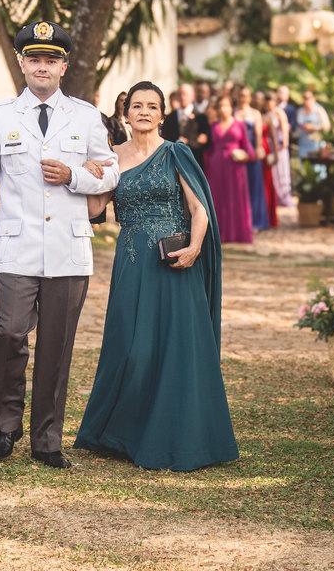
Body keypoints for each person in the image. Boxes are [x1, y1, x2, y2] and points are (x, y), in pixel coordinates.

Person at [0, 20, 118, 469]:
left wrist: (73, 176)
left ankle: (47, 440)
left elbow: (111, 170)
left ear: (64, 66)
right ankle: (5, 429)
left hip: (69, 251)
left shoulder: (86, 116)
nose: (42, 66)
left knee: (57, 345)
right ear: (21, 63)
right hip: (16, 247)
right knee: (10, 333)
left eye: (51, 59)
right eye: (34, 58)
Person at [75, 81, 237, 470]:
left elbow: (199, 209)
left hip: (176, 261)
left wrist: (195, 247)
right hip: (132, 264)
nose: (144, 111)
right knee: (134, 348)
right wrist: (86, 173)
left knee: (179, 350)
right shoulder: (111, 157)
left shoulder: (176, 153)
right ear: (125, 114)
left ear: (162, 115)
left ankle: (182, 437)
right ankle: (124, 435)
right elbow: (96, 208)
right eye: (136, 105)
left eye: (152, 106)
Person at [205, 92, 255, 243]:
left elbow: (248, 148)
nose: (223, 109)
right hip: (216, 165)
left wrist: (246, 156)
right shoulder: (213, 125)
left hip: (235, 165)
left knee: (236, 198)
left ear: (231, 107)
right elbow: (209, 148)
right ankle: (218, 233)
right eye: (220, 106)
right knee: (217, 197)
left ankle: (238, 233)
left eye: (226, 105)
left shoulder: (240, 124)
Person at [235, 86, 270, 231]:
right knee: (240, 188)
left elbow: (258, 134)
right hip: (239, 154)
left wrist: (257, 150)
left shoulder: (255, 113)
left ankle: (256, 221)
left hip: (252, 152)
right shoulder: (234, 112)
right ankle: (241, 221)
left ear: (250, 97)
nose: (243, 98)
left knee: (254, 186)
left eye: (246, 95)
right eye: (241, 95)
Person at [162, 81, 209, 170]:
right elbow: (165, 138)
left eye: (185, 94)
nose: (182, 97)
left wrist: (188, 142)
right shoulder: (170, 118)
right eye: (180, 94)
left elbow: (204, 141)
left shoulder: (201, 118)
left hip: (194, 162)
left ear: (193, 96)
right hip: (174, 163)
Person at [254, 90, 280, 228]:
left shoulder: (267, 117)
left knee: (267, 185)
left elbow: (274, 138)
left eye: (260, 99)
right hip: (254, 151)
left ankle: (269, 218)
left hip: (266, 152)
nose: (258, 101)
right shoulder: (251, 115)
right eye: (256, 98)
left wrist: (276, 154)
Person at [267, 88, 295, 207]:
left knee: (282, 172)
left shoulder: (279, 112)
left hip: (280, 147)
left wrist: (282, 145)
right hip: (270, 147)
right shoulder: (267, 114)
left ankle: (285, 197)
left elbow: (285, 130)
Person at [296, 88, 331, 161]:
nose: (306, 100)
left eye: (308, 98)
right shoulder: (300, 111)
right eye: (304, 98)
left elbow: (327, 127)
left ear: (313, 98)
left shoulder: (319, 110)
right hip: (303, 145)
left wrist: (314, 127)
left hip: (316, 145)